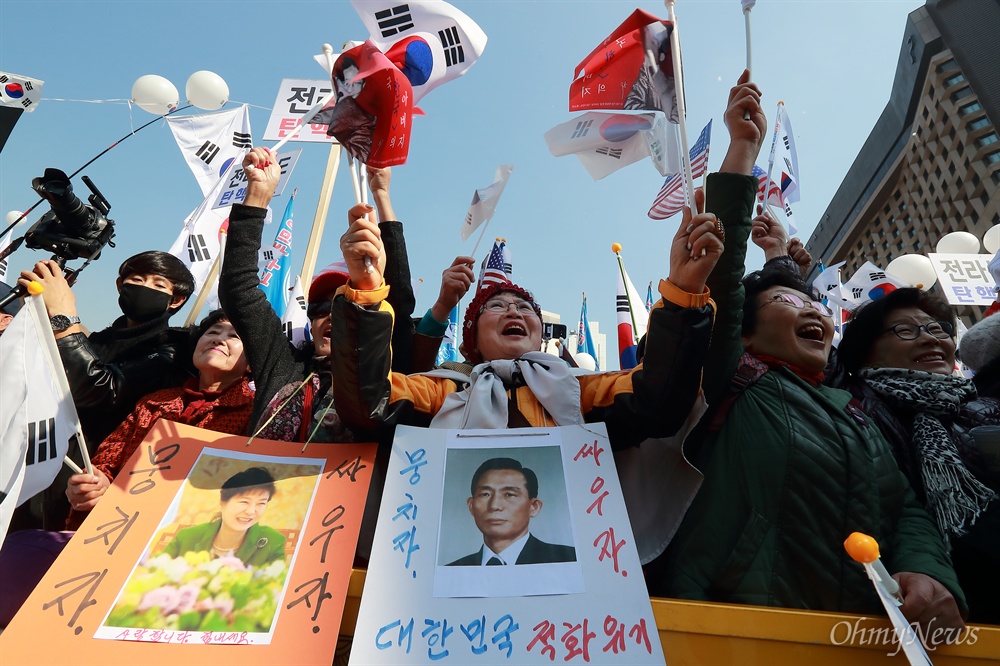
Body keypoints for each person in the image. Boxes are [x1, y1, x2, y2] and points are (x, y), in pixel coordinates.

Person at [651, 72, 966, 635]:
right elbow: (722, 280)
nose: (814, 309)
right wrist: (743, 149)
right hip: (735, 637)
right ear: (744, 332)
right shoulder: (735, 378)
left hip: (861, 639)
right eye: (784, 297)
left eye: (814, 301)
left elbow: (908, 509)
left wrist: (926, 568)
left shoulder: (857, 412)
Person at [831, 287, 999, 623]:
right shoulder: (853, 412)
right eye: (906, 331)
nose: (930, 339)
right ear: (866, 352)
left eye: (937, 329)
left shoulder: (983, 408)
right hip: (919, 604)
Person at [16, 251, 195, 531]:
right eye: (137, 279)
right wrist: (38, 310)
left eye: (159, 285)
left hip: (97, 482)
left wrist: (64, 315)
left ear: (177, 300)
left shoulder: (173, 349)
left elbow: (102, 390)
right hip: (44, 463)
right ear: (119, 286)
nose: (145, 288)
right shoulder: (97, 340)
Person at [65, 309, 254, 529]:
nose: (218, 339)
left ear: (251, 363)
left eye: (234, 337)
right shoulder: (153, 402)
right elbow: (108, 460)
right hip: (119, 528)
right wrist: (96, 484)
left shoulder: (255, 413)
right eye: (213, 332)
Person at [448, 457, 575, 566]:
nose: (495, 505)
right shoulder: (452, 570)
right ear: (471, 506)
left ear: (534, 507)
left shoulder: (568, 559)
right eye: (485, 494)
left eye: (509, 494)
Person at [162, 467, 285, 567]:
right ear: (223, 502)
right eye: (244, 502)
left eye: (261, 503)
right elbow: (157, 574)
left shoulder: (273, 542)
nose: (251, 511)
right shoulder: (187, 537)